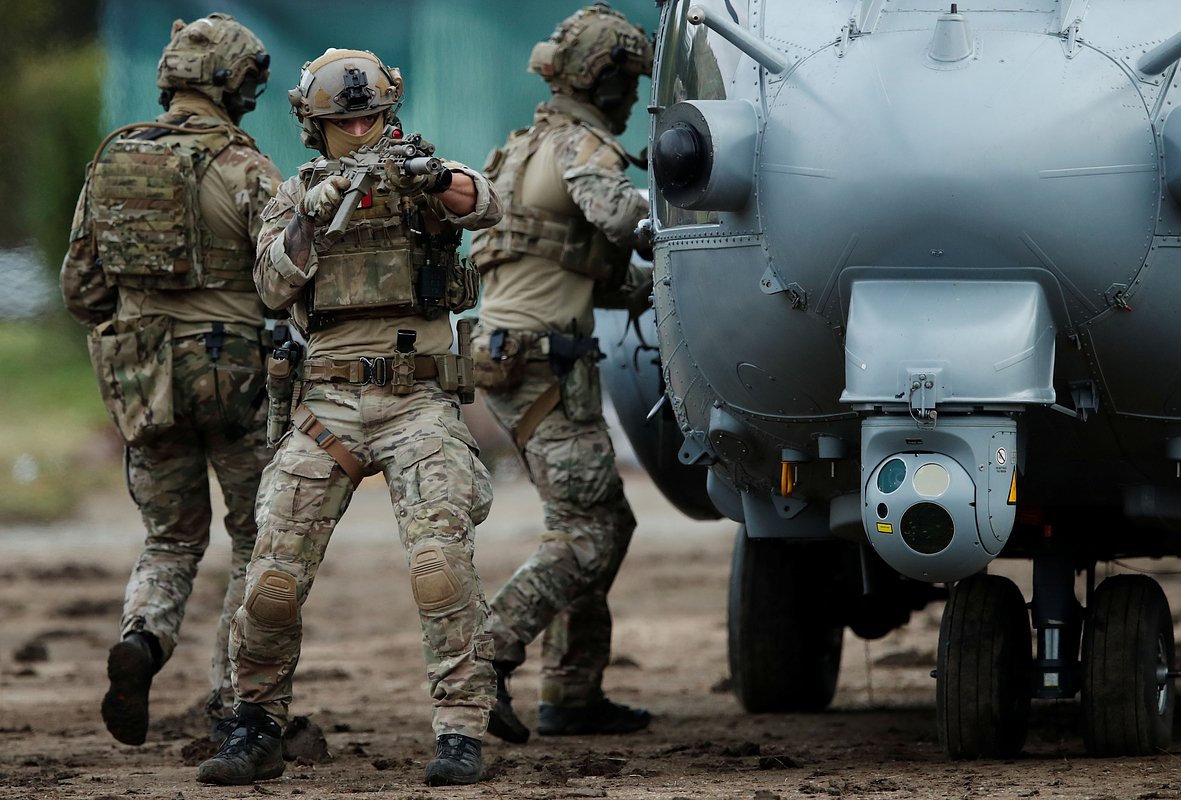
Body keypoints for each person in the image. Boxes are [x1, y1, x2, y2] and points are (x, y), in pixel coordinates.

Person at [195, 48, 501, 787]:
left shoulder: (419, 176)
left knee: (439, 567)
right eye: (345, 123)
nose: (361, 131)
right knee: (271, 579)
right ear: (315, 127)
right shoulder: (293, 195)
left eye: (372, 118)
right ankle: (258, 724)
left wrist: (434, 181)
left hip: (416, 400)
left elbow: (487, 204)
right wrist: (317, 208)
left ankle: (461, 731)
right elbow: (272, 283)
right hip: (328, 403)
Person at [59, 13, 280, 747]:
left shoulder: (112, 160)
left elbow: (80, 289)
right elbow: (285, 282)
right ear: (229, 83)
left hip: (142, 377)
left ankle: (143, 639)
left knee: (169, 540)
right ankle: (232, 701)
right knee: (256, 539)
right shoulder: (247, 169)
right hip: (235, 378)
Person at [467, 3, 655, 743]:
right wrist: (680, 224)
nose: (636, 99)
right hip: (545, 363)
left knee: (601, 521)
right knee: (587, 533)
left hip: (515, 356)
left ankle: (572, 692)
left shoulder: (526, 146)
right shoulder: (584, 146)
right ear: (601, 82)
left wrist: (657, 289)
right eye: (629, 82)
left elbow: (583, 268)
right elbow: (620, 222)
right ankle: (481, 660)